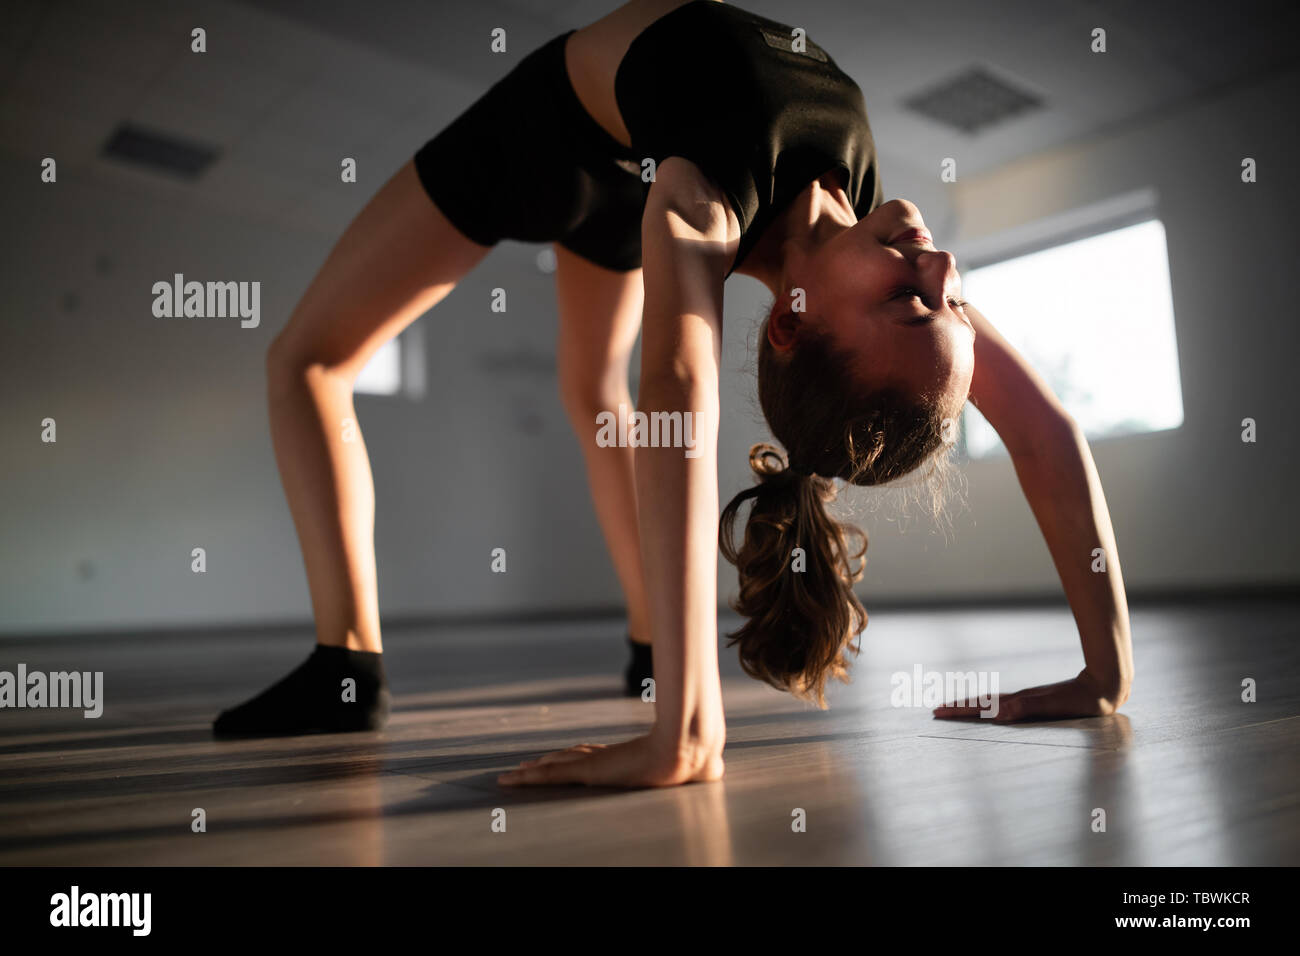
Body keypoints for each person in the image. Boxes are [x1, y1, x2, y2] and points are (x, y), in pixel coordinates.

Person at [214, 0, 1134, 790]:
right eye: (950, 303)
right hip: (629, 170)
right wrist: (1104, 674)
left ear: (791, 322)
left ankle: (347, 663)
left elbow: (681, 386)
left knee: (306, 361)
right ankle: (652, 646)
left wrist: (690, 733)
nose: (938, 266)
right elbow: (1044, 429)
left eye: (910, 301)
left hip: (541, 144)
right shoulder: (854, 209)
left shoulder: (704, 202)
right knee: (590, 392)